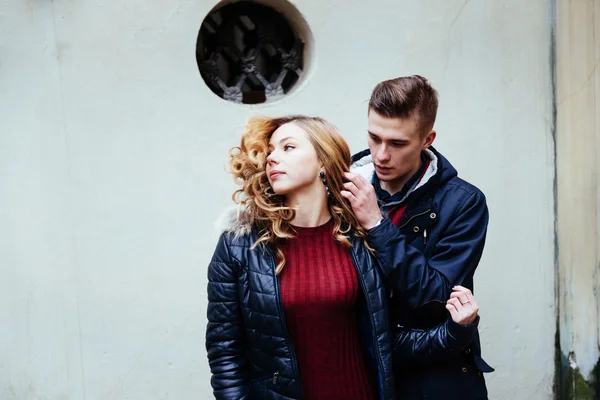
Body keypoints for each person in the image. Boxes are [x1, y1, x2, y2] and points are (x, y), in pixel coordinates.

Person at [206, 115, 481, 400]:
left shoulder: (360, 240)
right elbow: (225, 351)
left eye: (288, 147)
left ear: (323, 161)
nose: (273, 158)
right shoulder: (239, 244)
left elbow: (385, 342)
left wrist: (455, 331)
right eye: (271, 150)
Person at [343, 75, 493, 399]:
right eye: (374, 137)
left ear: (427, 139)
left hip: (434, 377)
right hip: (357, 371)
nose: (381, 154)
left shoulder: (464, 203)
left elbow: (436, 297)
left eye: (397, 143)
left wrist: (375, 223)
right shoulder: (340, 190)